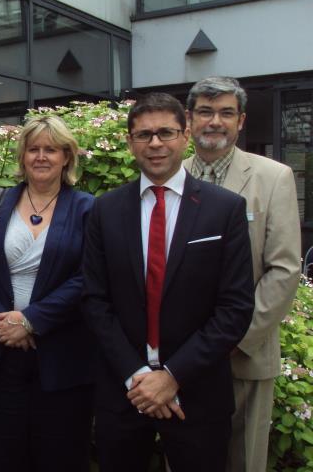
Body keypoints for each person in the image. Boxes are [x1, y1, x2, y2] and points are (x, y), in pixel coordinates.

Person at [82, 93, 255, 472]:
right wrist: (140, 376)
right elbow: (95, 301)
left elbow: (235, 307)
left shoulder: (224, 209)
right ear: (130, 142)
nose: (155, 143)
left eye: (166, 132)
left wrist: (173, 376)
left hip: (198, 391)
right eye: (144, 135)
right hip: (124, 390)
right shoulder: (104, 210)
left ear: (186, 135)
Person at [0, 115, 95, 472]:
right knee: (5, 454)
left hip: (61, 355)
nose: (41, 156)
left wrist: (31, 321)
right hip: (0, 352)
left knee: (61, 455)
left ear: (67, 157)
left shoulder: (86, 208)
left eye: (51, 149)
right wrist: (3, 324)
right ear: (22, 156)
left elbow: (89, 277)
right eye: (33, 149)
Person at [183, 76, 301, 472]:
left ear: (241, 120)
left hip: (244, 353)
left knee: (242, 461)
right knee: (183, 457)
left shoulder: (273, 178)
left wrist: (232, 337)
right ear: (189, 119)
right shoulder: (169, 176)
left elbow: (284, 269)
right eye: (205, 111)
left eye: (226, 113)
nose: (215, 121)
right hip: (179, 356)